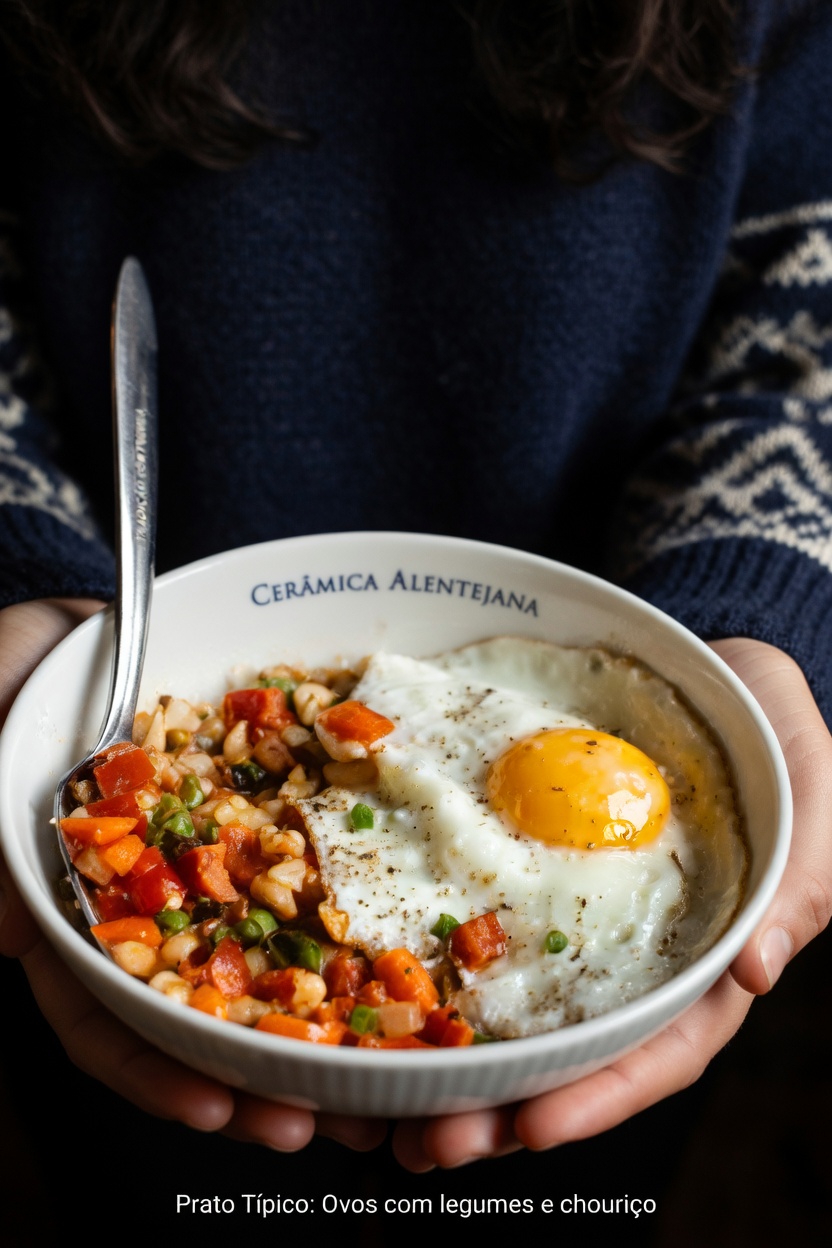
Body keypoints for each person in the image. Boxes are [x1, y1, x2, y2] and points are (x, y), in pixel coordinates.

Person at [0, 0, 831, 1177]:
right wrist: (19, 575)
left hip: (589, 1086)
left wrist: (755, 622)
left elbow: (803, 358)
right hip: (96, 1012)